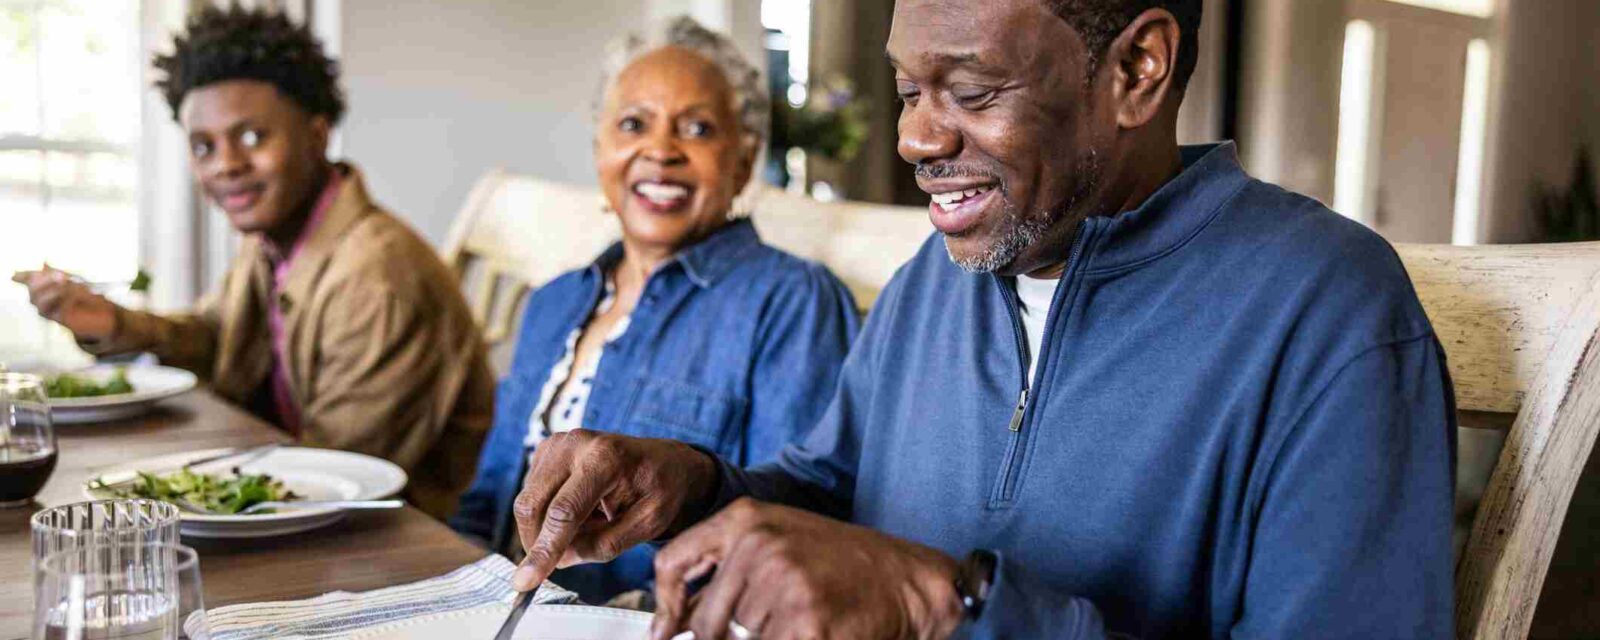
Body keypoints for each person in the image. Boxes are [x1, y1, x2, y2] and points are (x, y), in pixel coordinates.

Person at [503, 0, 1459, 638]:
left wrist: (944, 601)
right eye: (910, 90)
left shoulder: (1330, 314)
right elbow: (832, 491)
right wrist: (697, 488)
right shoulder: (939, 275)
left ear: (1137, 68)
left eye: (972, 89)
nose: (916, 137)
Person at [11, 6, 493, 521]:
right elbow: (218, 337)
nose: (226, 165)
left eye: (252, 137)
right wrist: (113, 322)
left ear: (317, 133)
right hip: (307, 511)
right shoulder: (276, 239)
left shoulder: (379, 278)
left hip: (398, 543)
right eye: (204, 146)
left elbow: (339, 472)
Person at [449, 17, 861, 605]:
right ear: (600, 149)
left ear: (743, 161)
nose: (661, 151)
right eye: (633, 124)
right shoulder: (553, 301)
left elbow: (797, 523)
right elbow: (485, 502)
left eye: (697, 128)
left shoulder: (793, 301)